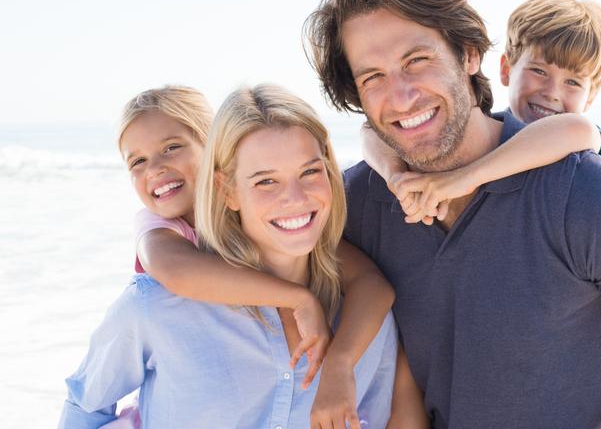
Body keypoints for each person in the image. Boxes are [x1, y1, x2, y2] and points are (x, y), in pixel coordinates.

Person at [305, 0, 601, 428]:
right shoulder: (359, 202)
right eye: (373, 78)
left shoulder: (586, 196)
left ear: (469, 56)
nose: (402, 96)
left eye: (416, 61)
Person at [58, 85, 397, 428]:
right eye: (265, 181)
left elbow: (369, 281)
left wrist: (339, 362)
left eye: (309, 171)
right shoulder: (157, 288)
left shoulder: (362, 319)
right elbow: (85, 406)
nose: (294, 198)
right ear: (225, 188)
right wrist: (300, 299)